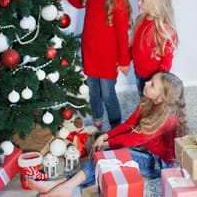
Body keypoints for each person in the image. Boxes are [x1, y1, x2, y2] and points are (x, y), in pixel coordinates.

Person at [27, 71, 188, 197]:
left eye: (152, 84)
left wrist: (108, 144)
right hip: (146, 150)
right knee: (107, 157)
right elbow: (129, 125)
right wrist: (105, 136)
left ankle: (65, 186)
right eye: (150, 80)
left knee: (110, 156)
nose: (146, 83)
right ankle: (62, 184)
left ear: (160, 99)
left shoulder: (168, 119)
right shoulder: (147, 101)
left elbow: (135, 137)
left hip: (158, 163)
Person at [52, 0, 133, 130]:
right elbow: (80, 2)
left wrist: (124, 61)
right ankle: (97, 121)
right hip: (90, 53)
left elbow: (122, 34)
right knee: (93, 91)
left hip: (108, 58)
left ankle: (115, 125)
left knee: (107, 93)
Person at [131, 0, 178, 97]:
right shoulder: (140, 20)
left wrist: (158, 79)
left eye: (142, 0)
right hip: (138, 72)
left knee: (152, 104)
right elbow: (135, 45)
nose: (138, 2)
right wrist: (125, 60)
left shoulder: (165, 29)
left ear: (155, 4)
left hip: (153, 79)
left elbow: (167, 58)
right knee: (142, 98)